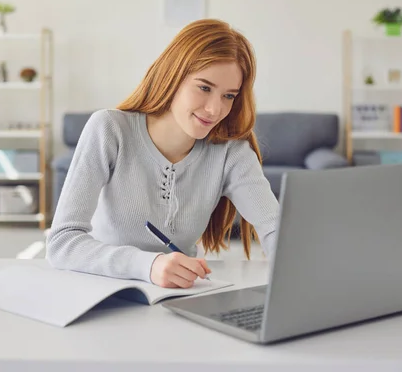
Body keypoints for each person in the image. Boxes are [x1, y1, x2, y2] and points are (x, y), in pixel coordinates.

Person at [46, 18, 279, 289]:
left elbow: (275, 228)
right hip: (102, 291)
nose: (215, 109)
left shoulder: (230, 152)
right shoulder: (110, 128)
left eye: (228, 96)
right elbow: (63, 242)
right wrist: (148, 265)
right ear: (173, 76)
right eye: (204, 88)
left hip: (180, 296)